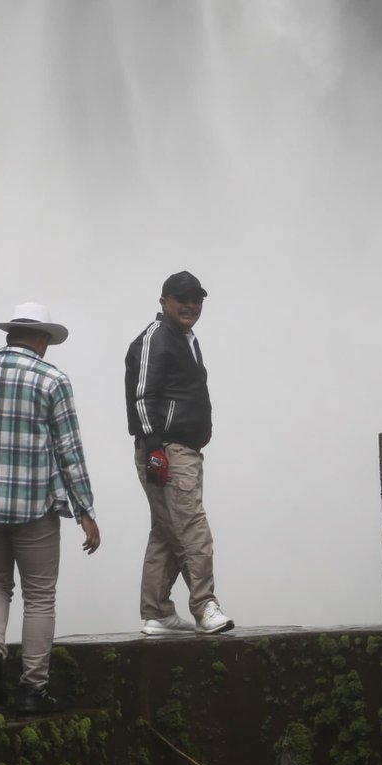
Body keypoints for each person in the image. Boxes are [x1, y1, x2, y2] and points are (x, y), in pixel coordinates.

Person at [0, 301, 101, 714]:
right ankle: (33, 688)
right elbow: (69, 451)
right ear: (42, 339)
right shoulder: (52, 380)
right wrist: (85, 510)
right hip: (35, 508)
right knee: (39, 596)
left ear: (11, 335)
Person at [124, 271, 235, 636]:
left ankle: (157, 612)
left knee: (165, 531)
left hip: (179, 448)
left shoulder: (184, 338)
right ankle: (205, 606)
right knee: (192, 528)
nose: (190, 305)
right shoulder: (157, 337)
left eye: (196, 299)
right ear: (164, 302)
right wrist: (155, 448)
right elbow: (143, 395)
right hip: (168, 449)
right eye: (182, 298)